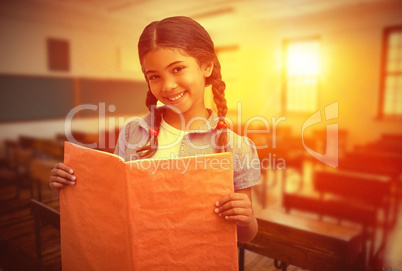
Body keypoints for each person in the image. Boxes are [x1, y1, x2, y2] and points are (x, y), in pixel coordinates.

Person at [50, 16, 261, 243]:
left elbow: (245, 236)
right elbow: (112, 204)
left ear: (206, 66)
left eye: (178, 69)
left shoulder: (236, 147)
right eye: (155, 76)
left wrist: (246, 219)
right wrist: (71, 186)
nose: (168, 85)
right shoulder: (133, 133)